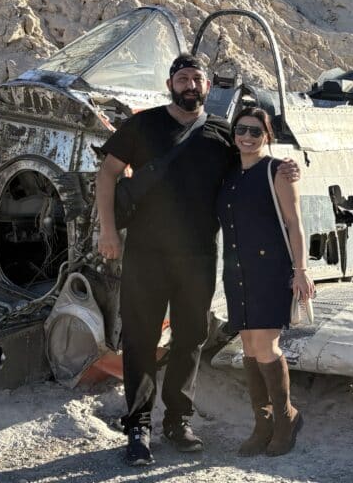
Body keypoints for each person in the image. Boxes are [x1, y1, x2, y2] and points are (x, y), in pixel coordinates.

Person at [95, 54, 297, 466]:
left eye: (197, 79)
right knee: (140, 340)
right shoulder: (144, 124)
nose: (190, 85)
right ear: (170, 83)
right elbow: (107, 173)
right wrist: (108, 230)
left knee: (190, 339)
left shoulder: (223, 134)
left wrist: (286, 166)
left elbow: (251, 164)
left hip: (199, 256)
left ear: (207, 87)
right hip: (146, 255)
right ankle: (137, 426)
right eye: (182, 78)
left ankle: (177, 420)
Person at [216, 106, 314, 457]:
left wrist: (300, 270)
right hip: (237, 270)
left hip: (270, 269)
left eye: (256, 132)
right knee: (248, 348)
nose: (247, 136)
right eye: (241, 130)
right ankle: (263, 423)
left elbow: (294, 224)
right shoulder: (228, 173)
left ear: (267, 137)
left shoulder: (277, 171)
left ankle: (286, 419)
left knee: (266, 347)